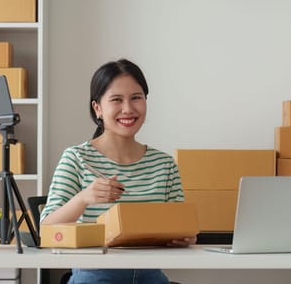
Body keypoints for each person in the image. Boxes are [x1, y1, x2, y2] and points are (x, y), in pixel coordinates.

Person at [40, 58, 194, 284]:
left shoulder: (164, 164)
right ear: (98, 108)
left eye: (136, 98)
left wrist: (184, 237)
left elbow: (182, 226)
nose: (128, 109)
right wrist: (84, 198)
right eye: (116, 100)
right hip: (93, 276)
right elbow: (46, 230)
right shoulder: (77, 158)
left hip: (151, 277)